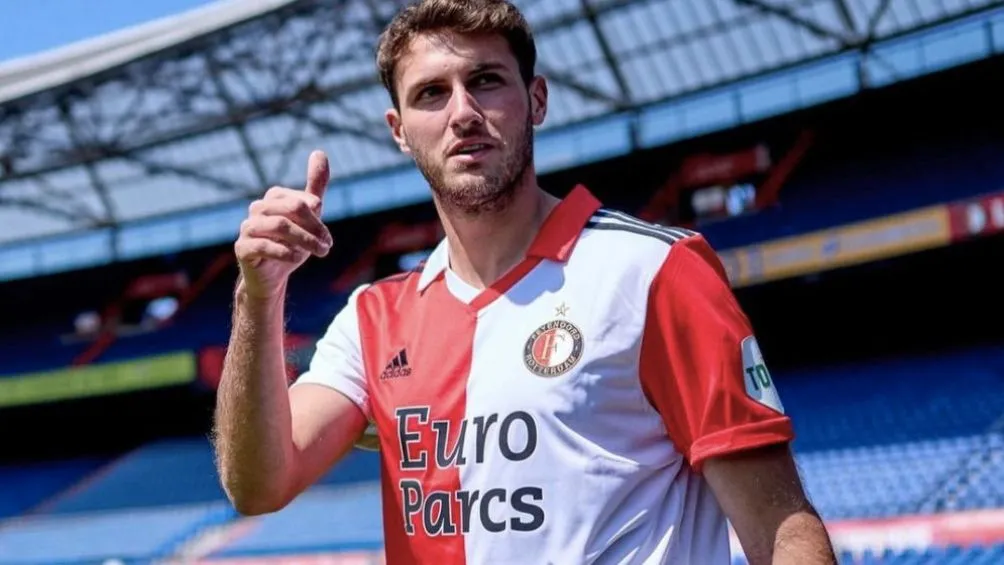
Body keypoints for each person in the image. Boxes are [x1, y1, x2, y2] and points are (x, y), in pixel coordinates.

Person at [213, 0, 837, 563]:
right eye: (431, 93)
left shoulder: (652, 271)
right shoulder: (372, 317)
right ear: (399, 131)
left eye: (485, 81)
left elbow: (782, 530)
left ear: (536, 99)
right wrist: (257, 299)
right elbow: (258, 485)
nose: (462, 113)